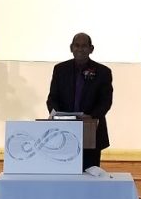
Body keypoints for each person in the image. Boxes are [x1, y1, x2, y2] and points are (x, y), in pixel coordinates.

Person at [46, 32, 113, 170]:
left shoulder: (103, 72)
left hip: (91, 131)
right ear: (71, 48)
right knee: (64, 173)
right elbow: (52, 97)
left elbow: (105, 101)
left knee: (90, 174)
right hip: (64, 131)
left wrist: (92, 117)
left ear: (91, 49)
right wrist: (56, 114)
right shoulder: (60, 69)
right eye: (77, 45)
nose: (80, 49)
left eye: (84, 46)